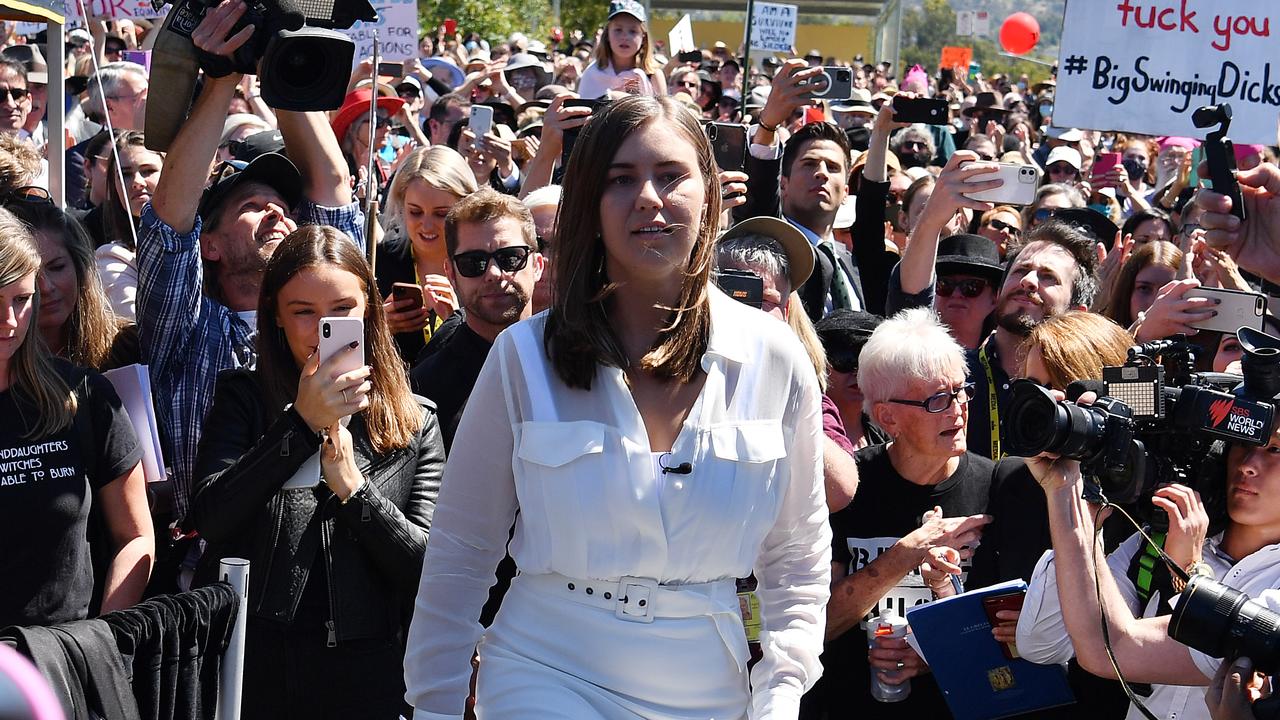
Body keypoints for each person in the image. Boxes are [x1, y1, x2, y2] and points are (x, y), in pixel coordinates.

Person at [404, 94, 830, 719]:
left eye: (671, 176)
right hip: (543, 669)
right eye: (621, 179)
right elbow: (461, 550)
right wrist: (435, 706)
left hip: (709, 686)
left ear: (711, 195)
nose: (649, 198)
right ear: (590, 205)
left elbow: (796, 556)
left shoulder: (775, 357)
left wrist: (782, 689)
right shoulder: (523, 357)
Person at [190, 226, 444, 719]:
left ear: (369, 308)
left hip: (365, 674)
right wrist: (299, 425)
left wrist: (355, 491)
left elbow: (427, 569)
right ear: (277, 318)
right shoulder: (243, 399)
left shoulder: (415, 420)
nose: (323, 328)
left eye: (342, 310)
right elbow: (212, 518)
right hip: (255, 666)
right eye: (303, 312)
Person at [139, 0, 363, 522]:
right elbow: (170, 216)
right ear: (209, 246)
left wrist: (277, 54)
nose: (275, 216)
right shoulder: (190, 332)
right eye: (251, 207)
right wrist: (220, 80)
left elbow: (331, 187)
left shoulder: (329, 317)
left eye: (283, 208)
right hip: (216, 564)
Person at [804, 307, 993, 719]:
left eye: (962, 391)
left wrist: (933, 654)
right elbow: (817, 627)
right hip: (849, 704)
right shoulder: (849, 490)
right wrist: (905, 555)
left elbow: (1010, 634)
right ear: (888, 416)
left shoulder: (993, 487)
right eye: (937, 399)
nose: (957, 409)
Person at [0, 208, 154, 629]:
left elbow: (136, 536)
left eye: (20, 299)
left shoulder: (83, 395)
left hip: (64, 664)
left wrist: (102, 641)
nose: (10, 322)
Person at [409, 188, 544, 448]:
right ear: (451, 273)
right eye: (474, 262)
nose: (493, 273)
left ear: (537, 265)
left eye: (510, 258)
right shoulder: (424, 391)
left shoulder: (578, 363)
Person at [378, 146, 473, 363]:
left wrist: (457, 320)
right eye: (415, 212)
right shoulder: (380, 260)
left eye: (441, 214)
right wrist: (380, 327)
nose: (427, 225)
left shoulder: (482, 263)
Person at [10, 199, 119, 371]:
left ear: (79, 266)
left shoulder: (123, 347)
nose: (45, 287)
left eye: (57, 267)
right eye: (30, 275)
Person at [94, 131, 163, 320]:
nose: (137, 182)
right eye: (125, 175)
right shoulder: (110, 257)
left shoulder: (203, 238)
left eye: (148, 171)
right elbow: (137, 323)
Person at [576, 0, 666, 99]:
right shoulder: (592, 73)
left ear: (643, 37)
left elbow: (665, 113)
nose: (625, 37)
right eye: (618, 30)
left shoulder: (653, 76)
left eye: (633, 31)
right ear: (607, 35)